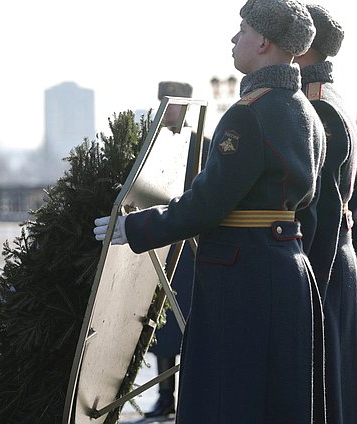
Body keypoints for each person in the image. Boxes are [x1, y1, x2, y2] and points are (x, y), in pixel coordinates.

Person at [94, 0, 327, 422]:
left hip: (240, 275)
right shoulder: (307, 113)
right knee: (279, 402)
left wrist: (136, 227)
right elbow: (307, 208)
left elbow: (207, 203)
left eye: (243, 30)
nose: (234, 38)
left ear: (264, 42)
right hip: (291, 269)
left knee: (226, 398)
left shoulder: (248, 114)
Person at [295, 5, 357, 423]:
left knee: (326, 392)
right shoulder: (328, 98)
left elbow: (322, 208)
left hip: (326, 262)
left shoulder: (316, 107)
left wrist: (306, 285)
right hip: (337, 255)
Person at [145, 81, 211, 419]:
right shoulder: (148, 144)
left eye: (175, 104)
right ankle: (164, 395)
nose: (168, 109)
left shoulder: (205, 145)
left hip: (193, 249)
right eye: (164, 103)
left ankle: (192, 395)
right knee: (161, 325)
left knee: (191, 321)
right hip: (158, 244)